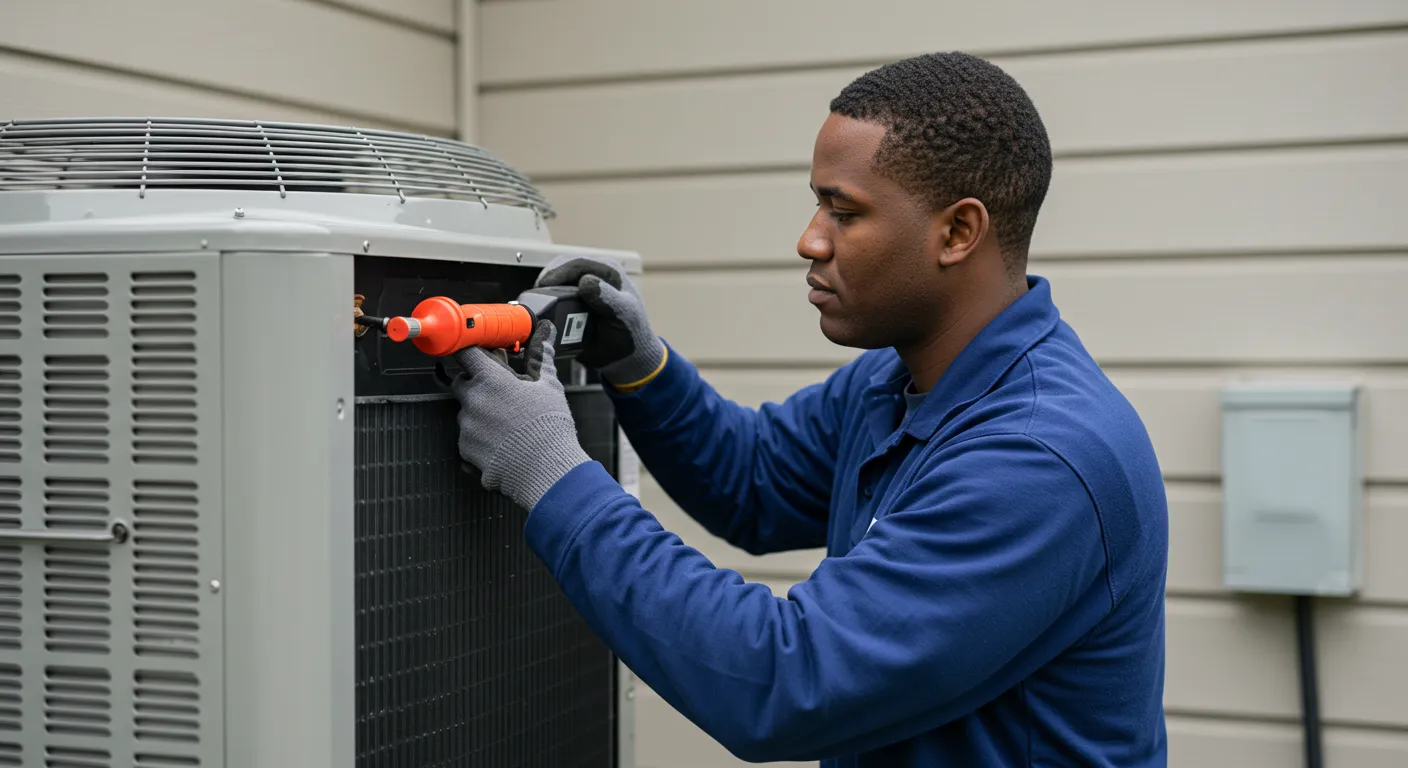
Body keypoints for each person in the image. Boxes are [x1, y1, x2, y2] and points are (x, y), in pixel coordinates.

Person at [450, 51, 1169, 767]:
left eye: (844, 211)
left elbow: (787, 683)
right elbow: (754, 481)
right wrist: (641, 368)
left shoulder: (1038, 458)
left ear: (957, 232)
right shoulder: (897, 380)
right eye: (817, 202)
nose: (810, 239)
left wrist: (551, 473)